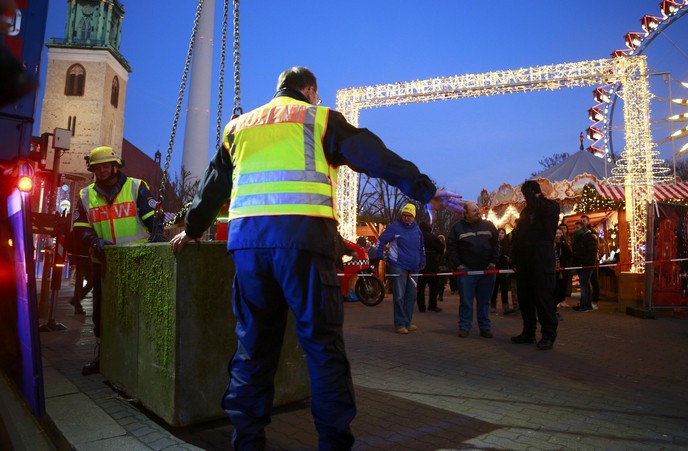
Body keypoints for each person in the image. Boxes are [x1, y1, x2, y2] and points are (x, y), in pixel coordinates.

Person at [168, 66, 462, 450]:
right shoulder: (319, 118)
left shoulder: (237, 128)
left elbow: (211, 187)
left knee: (252, 347)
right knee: (322, 349)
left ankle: (247, 441)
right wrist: (425, 191)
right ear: (309, 89)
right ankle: (333, 442)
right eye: (317, 94)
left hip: (249, 245)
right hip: (305, 241)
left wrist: (191, 230)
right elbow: (376, 157)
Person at [71, 146, 166, 375]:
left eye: (105, 166)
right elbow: (80, 228)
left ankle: (146, 358)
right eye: (97, 167)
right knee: (101, 313)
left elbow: (153, 219)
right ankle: (103, 357)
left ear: (115, 166)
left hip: (138, 261)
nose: (102, 171)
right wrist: (94, 241)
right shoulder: (86, 196)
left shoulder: (136, 187)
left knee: (142, 311)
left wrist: (157, 236)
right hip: (104, 263)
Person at [510, 180, 560, 350]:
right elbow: (519, 235)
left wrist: (532, 195)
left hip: (542, 257)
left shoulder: (550, 206)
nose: (525, 198)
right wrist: (514, 257)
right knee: (525, 298)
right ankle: (528, 332)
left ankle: (548, 334)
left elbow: (538, 208)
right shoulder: (526, 211)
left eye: (526, 194)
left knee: (543, 298)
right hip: (525, 259)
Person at [446, 201, 499, 338]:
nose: (478, 212)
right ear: (466, 213)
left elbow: (496, 244)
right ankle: (464, 326)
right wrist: (458, 264)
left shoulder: (488, 225)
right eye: (474, 210)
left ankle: (485, 327)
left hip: (487, 271)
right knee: (466, 301)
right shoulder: (457, 228)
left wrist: (493, 262)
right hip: (467, 271)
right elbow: (451, 247)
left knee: (484, 301)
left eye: (478, 209)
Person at [377, 204, 425, 333]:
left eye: (409, 216)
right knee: (399, 296)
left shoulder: (417, 229)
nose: (406, 218)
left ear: (414, 217)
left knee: (411, 296)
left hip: (414, 267)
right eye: (404, 215)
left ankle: (407, 322)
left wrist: (422, 259)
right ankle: (399, 324)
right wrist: (379, 254)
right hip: (398, 266)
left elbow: (421, 246)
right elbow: (381, 240)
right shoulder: (395, 227)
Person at [416, 221, 444, 313]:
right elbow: (441, 249)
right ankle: (432, 305)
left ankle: (421, 306)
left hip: (420, 265)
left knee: (420, 287)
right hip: (432, 265)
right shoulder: (433, 237)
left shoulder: (417, 237)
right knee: (434, 287)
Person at [571, 221, 598, 313]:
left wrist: (585, 264)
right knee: (584, 284)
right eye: (575, 228)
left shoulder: (590, 238)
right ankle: (585, 304)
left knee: (584, 284)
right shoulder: (579, 238)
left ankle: (585, 305)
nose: (575, 230)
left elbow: (591, 253)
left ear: (583, 228)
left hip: (586, 265)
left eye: (577, 228)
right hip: (580, 264)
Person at [491, 228, 515, 315]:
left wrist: (509, 259)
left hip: (504, 270)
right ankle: (493, 305)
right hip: (495, 269)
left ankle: (506, 307)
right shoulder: (493, 245)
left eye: (502, 233)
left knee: (504, 289)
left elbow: (510, 256)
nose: (500, 234)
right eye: (499, 233)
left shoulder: (507, 246)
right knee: (494, 288)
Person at [580, 214, 600, 310]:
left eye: (584, 220)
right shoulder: (582, 232)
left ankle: (595, 300)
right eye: (582, 221)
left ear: (588, 221)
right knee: (587, 281)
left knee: (594, 279)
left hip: (592, 260)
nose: (583, 222)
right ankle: (587, 301)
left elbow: (594, 247)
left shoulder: (592, 232)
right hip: (586, 260)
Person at [553, 226, 573, 317]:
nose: (558, 235)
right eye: (556, 233)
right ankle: (553, 309)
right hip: (553, 271)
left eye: (560, 233)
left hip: (563, 271)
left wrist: (563, 244)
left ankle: (554, 306)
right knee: (554, 290)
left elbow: (569, 255)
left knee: (561, 291)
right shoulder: (551, 245)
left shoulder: (565, 244)